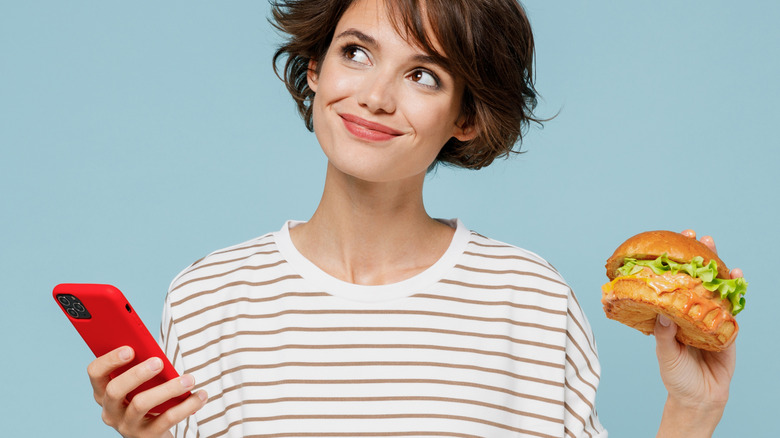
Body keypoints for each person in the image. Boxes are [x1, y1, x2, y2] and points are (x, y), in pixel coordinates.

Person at [86, 0, 739, 437]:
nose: (373, 95)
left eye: (423, 75)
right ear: (315, 67)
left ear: (465, 115)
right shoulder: (207, 298)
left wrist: (692, 407)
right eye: (356, 53)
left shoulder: (530, 299)